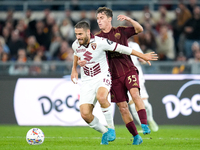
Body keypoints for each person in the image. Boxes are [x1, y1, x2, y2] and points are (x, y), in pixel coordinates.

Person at [71, 21, 158, 145]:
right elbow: (76, 53)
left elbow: (124, 49)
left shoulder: (100, 42)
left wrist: (142, 56)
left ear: (87, 32)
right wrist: (74, 68)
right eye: (76, 34)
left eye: (80, 34)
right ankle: (105, 132)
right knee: (85, 114)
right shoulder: (75, 44)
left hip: (102, 77)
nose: (78, 37)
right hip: (86, 81)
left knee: (102, 97)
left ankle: (112, 129)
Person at [95, 7, 151, 143]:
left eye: (101, 18)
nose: (99, 21)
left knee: (135, 95)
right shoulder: (97, 38)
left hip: (128, 70)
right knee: (123, 107)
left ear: (109, 19)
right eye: (97, 19)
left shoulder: (120, 31)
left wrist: (130, 20)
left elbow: (140, 29)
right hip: (113, 76)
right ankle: (136, 136)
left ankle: (144, 123)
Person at [128, 40, 159, 132]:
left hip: (137, 77)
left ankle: (150, 119)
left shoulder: (134, 45)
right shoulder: (116, 46)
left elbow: (143, 60)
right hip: (125, 79)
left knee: (145, 103)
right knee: (132, 105)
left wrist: (143, 59)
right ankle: (143, 125)